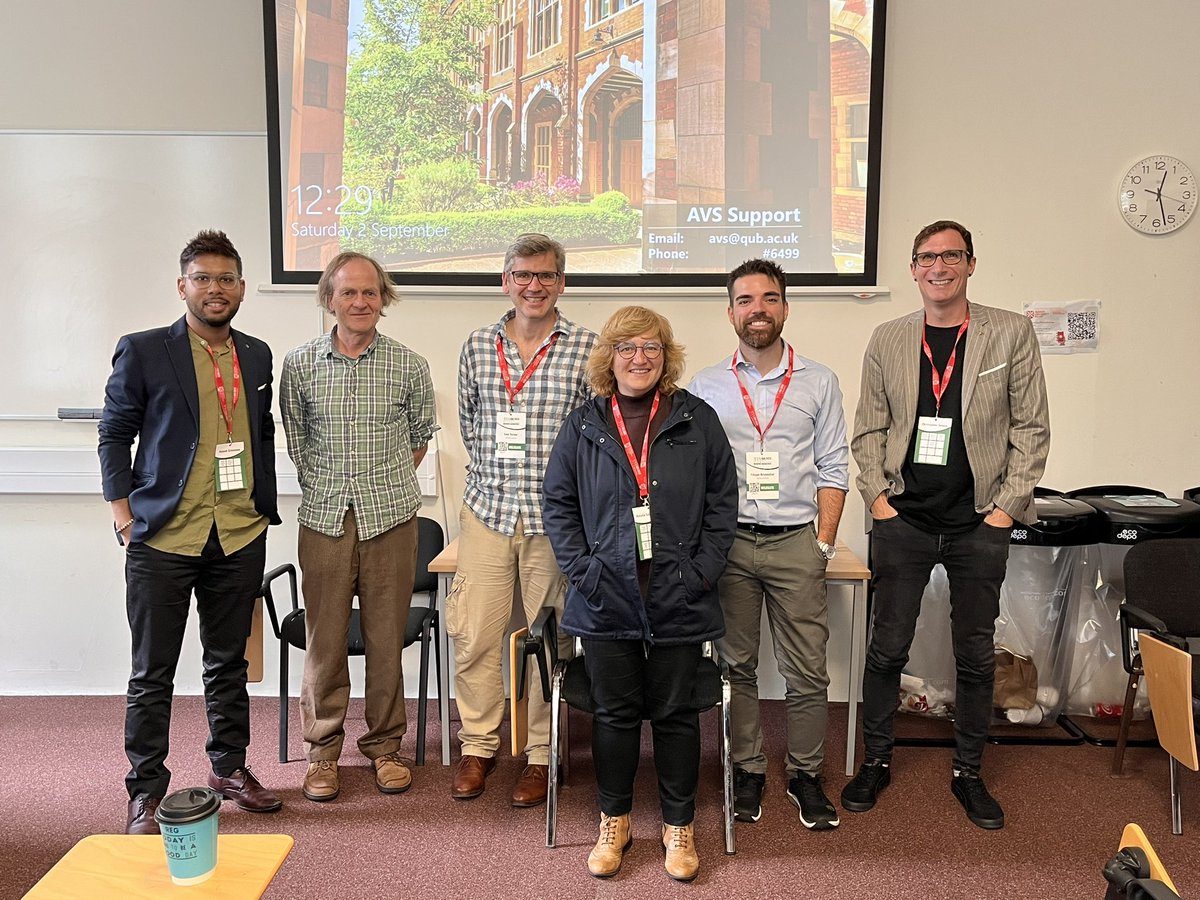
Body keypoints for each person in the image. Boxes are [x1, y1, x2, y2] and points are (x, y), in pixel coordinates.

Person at [847, 220, 1050, 830]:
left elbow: (1030, 429)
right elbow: (868, 430)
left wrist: (1003, 511)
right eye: (927, 257)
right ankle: (876, 761)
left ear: (970, 263)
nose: (939, 266)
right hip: (903, 518)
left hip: (978, 522)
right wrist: (879, 499)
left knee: (975, 654)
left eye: (951, 256)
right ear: (912, 269)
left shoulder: (1009, 333)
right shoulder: (888, 337)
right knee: (886, 648)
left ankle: (969, 773)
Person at [543, 306, 738, 882]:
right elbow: (559, 506)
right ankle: (616, 820)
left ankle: (679, 827)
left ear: (666, 355)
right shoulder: (583, 426)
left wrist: (700, 572)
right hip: (605, 599)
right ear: (608, 356)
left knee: (676, 715)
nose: (639, 357)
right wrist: (585, 571)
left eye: (651, 346)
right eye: (626, 346)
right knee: (616, 713)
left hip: (681, 597)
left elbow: (723, 504)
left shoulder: (697, 419)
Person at [99, 229, 282, 834]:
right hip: (162, 535)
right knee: (152, 669)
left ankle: (229, 768)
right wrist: (124, 516)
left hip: (236, 533)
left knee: (228, 663)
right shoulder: (145, 349)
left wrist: (260, 505)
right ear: (182, 286)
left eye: (226, 279)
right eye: (202, 278)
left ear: (242, 289)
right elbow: (114, 434)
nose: (215, 289)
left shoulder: (256, 355)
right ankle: (146, 790)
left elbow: (256, 434)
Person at [688, 258, 850, 830]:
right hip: (728, 544)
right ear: (730, 311)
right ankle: (747, 768)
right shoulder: (705, 385)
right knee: (737, 665)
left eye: (770, 298)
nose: (758, 309)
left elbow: (834, 467)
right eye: (745, 300)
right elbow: (692, 470)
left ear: (785, 307)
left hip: (795, 543)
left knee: (808, 670)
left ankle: (807, 774)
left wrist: (823, 545)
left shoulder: (819, 381)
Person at [280, 251, 436, 803]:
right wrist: (335, 485)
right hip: (323, 517)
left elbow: (419, 438)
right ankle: (322, 754)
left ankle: (385, 747)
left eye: (371, 292)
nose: (361, 302)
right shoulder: (298, 365)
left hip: (390, 517)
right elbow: (297, 440)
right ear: (330, 299)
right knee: (324, 641)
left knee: (385, 639)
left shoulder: (410, 365)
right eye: (349, 292)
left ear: (383, 299)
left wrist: (380, 485)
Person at [449, 233, 596, 806]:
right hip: (487, 513)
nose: (534, 285)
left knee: (547, 642)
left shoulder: (586, 347)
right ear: (505, 281)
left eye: (546, 276)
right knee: (477, 635)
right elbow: (470, 422)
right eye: (523, 275)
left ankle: (540, 753)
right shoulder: (478, 345)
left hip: (554, 519)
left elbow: (593, 434)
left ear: (561, 282)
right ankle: (479, 747)